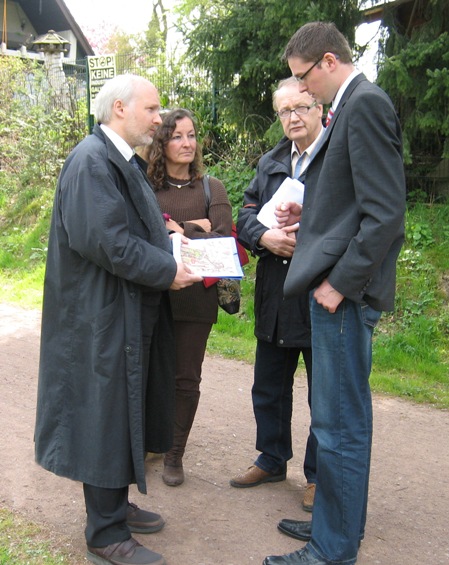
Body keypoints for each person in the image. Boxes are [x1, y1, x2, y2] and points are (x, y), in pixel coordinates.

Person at [34, 75, 202, 565]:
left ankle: (114, 506)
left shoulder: (117, 158)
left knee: (121, 407)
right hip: (99, 314)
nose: (160, 119)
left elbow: (134, 231)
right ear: (120, 108)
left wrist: (174, 248)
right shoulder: (91, 161)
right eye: (152, 109)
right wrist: (168, 270)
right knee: (103, 414)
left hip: (122, 308)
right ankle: (105, 533)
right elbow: (106, 242)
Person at [263, 22, 406, 565]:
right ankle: (336, 525)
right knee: (339, 421)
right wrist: (312, 213)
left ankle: (331, 550)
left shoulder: (363, 103)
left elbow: (386, 215)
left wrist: (338, 285)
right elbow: (352, 201)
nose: (302, 93)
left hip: (343, 297)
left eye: (303, 79)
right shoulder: (352, 105)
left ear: (327, 61)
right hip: (338, 288)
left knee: (338, 424)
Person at [229, 78, 324, 514]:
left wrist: (306, 239)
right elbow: (245, 215)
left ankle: (319, 477)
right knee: (267, 386)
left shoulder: (335, 160)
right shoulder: (270, 162)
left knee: (321, 394)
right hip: (274, 292)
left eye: (301, 108)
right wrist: (265, 237)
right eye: (285, 111)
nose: (293, 118)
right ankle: (271, 458)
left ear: (319, 107)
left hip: (319, 293)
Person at [146, 108, 233, 487]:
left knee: (185, 379)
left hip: (197, 299)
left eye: (192, 135)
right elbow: (144, 237)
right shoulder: (147, 188)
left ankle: (174, 453)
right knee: (150, 373)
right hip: (155, 294)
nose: (187, 143)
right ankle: (150, 441)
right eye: (177, 136)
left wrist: (178, 229)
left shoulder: (212, 188)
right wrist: (199, 227)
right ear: (161, 142)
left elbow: (225, 241)